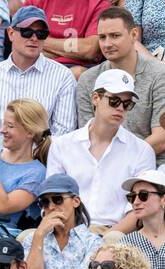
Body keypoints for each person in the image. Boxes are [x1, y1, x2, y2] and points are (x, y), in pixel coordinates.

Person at [47, 70, 157, 229]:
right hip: (67, 230)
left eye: (127, 104)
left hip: (115, 234)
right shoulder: (61, 145)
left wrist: (107, 239)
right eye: (114, 101)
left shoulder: (142, 150)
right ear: (95, 98)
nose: (120, 108)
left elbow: (139, 209)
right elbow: (52, 199)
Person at [0, 6, 77, 150]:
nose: (34, 38)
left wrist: (27, 158)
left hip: (41, 163)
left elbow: (63, 134)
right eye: (27, 31)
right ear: (11, 33)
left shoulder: (63, 77)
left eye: (41, 33)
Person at [77, 8, 165, 162]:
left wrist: (120, 163)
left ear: (134, 35)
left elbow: (161, 140)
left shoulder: (163, 75)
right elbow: (87, 136)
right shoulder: (88, 79)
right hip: (100, 162)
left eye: (115, 36)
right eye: (102, 37)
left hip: (154, 163)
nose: (107, 44)